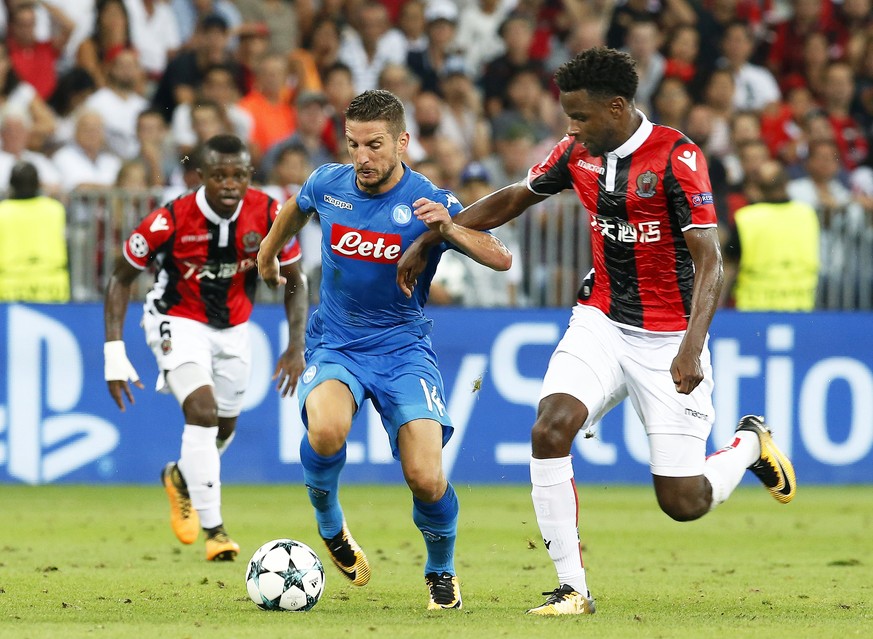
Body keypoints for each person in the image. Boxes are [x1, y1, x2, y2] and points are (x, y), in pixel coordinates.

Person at [397, 47, 797, 616]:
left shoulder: (677, 159)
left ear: (616, 107)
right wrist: (437, 233)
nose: (571, 127)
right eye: (568, 117)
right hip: (601, 321)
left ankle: (750, 444)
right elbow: (514, 197)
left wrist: (689, 348)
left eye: (580, 117)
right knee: (549, 430)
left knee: (683, 502)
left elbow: (711, 262)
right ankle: (572, 589)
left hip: (669, 339)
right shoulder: (577, 154)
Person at [256, 89, 511, 610]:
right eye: (353, 144)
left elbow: (501, 258)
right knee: (326, 430)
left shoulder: (427, 201)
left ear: (402, 141)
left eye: (374, 145)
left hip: (403, 350)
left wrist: (450, 229)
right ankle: (330, 523)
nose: (363, 158)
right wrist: (267, 251)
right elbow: (296, 206)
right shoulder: (329, 184)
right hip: (336, 343)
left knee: (425, 475)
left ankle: (440, 569)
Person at [103, 134, 308, 562]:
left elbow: (296, 278)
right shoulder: (170, 219)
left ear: (250, 175)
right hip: (175, 320)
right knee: (202, 411)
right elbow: (121, 277)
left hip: (234, 328)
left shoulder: (270, 213)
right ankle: (216, 531)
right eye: (219, 175)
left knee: (223, 431)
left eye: (238, 175)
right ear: (201, 176)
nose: (229, 184)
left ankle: (180, 476)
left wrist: (295, 345)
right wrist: (114, 353)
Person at [721, 159, 820, 310]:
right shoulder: (807, 214)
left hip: (754, 307)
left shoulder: (747, 218)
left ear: (756, 188)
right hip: (800, 305)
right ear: (787, 183)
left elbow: (729, 264)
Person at [0, 160, 69, 302]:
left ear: (11, 184)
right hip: (52, 285)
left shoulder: (3, 211)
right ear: (38, 183)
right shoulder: (55, 209)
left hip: (10, 285)